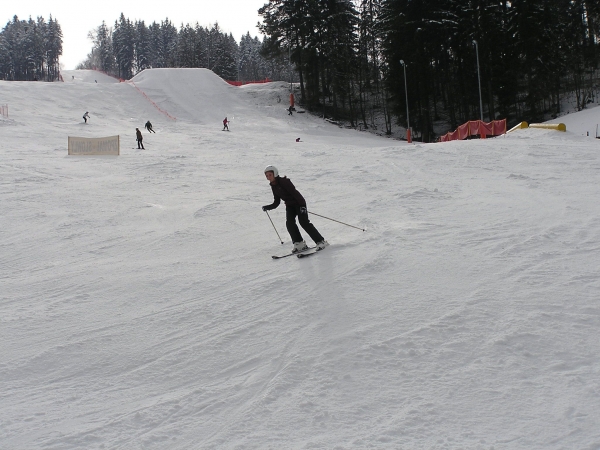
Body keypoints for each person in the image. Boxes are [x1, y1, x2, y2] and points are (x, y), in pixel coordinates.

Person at [262, 165, 329, 253]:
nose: (268, 177)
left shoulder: (284, 182)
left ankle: (321, 241)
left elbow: (295, 193)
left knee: (304, 222)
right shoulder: (273, 185)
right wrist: (268, 207)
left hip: (299, 203)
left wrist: (302, 206)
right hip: (290, 206)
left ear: (275, 173)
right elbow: (277, 202)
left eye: (270, 175)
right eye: (266, 176)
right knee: (289, 223)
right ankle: (299, 244)